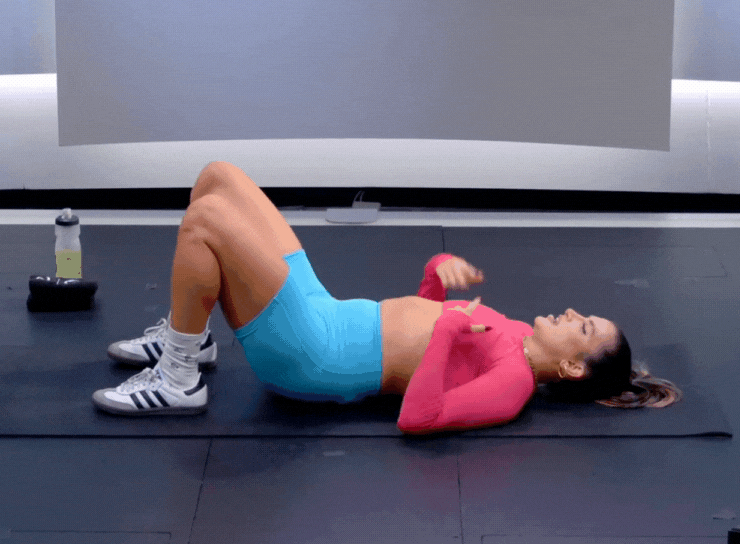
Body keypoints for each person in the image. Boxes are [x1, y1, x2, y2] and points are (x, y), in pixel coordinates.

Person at [91, 161, 681, 434]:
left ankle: (178, 377)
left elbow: (418, 416)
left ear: (573, 366)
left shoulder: (512, 385)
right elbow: (420, 327)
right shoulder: (511, 332)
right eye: (584, 314)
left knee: (208, 222)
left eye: (582, 328)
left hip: (315, 356)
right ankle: (189, 336)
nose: (573, 313)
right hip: (329, 313)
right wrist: (433, 279)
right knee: (219, 177)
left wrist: (447, 330)